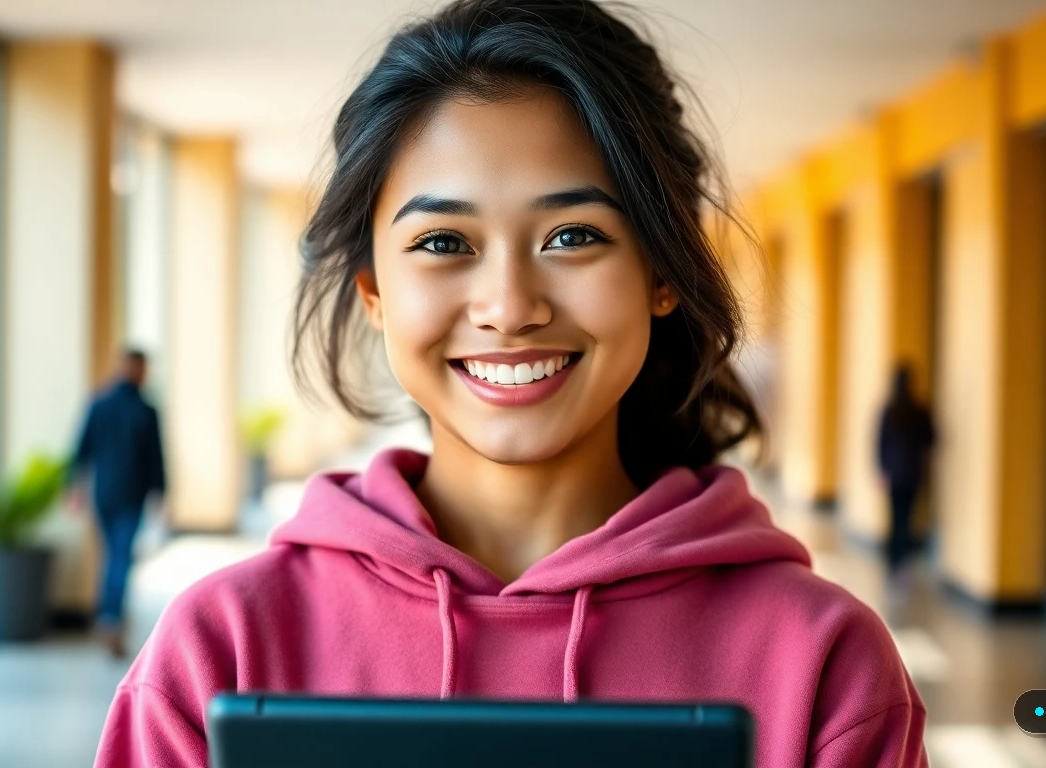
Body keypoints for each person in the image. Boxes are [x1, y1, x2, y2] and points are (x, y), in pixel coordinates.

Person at [95, 1, 926, 765]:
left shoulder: (824, 666)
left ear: (661, 273)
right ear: (374, 292)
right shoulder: (221, 650)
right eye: (443, 243)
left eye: (571, 235)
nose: (509, 307)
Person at [69, 349, 166, 659]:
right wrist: (160, 494)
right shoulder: (146, 410)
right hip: (131, 496)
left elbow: (81, 449)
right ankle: (111, 619)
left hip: (104, 493)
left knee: (112, 556)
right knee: (121, 558)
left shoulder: (98, 403)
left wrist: (76, 488)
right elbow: (156, 458)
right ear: (136, 369)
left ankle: (107, 615)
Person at [876, 364, 936, 579]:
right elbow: (932, 439)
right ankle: (902, 563)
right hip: (913, 472)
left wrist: (882, 470)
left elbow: (880, 443)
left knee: (895, 517)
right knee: (907, 519)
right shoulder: (920, 409)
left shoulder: (889, 410)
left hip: (893, 472)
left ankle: (893, 561)